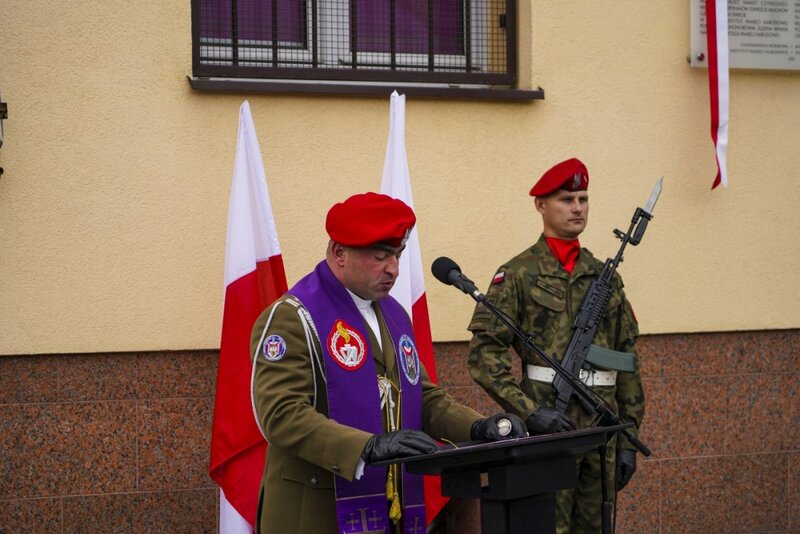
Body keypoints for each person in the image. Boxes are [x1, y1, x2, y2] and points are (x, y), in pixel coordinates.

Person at [250, 191, 527, 534]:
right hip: (316, 511)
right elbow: (281, 415)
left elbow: (423, 398)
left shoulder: (394, 316)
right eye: (380, 256)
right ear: (339, 253)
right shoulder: (293, 316)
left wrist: (479, 427)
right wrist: (367, 446)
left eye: (397, 255)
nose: (394, 269)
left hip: (388, 507)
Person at [467, 158, 645, 533]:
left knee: (597, 528)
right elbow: (485, 356)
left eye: (583, 198)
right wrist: (529, 412)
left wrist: (629, 436)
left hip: (602, 425)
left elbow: (627, 359)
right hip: (551, 424)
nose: (577, 207)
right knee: (550, 527)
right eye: (566, 199)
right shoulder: (518, 273)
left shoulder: (604, 276)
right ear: (541, 205)